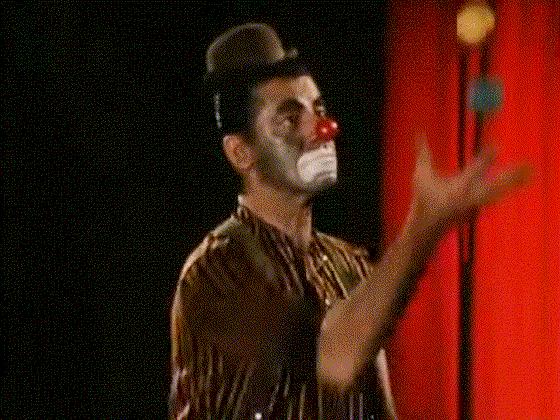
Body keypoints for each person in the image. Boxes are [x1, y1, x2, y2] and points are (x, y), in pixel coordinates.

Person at [169, 23, 530, 419]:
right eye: (290, 120)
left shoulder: (349, 264)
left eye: (319, 111)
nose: (324, 130)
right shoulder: (217, 271)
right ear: (241, 153)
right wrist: (422, 229)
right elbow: (334, 359)